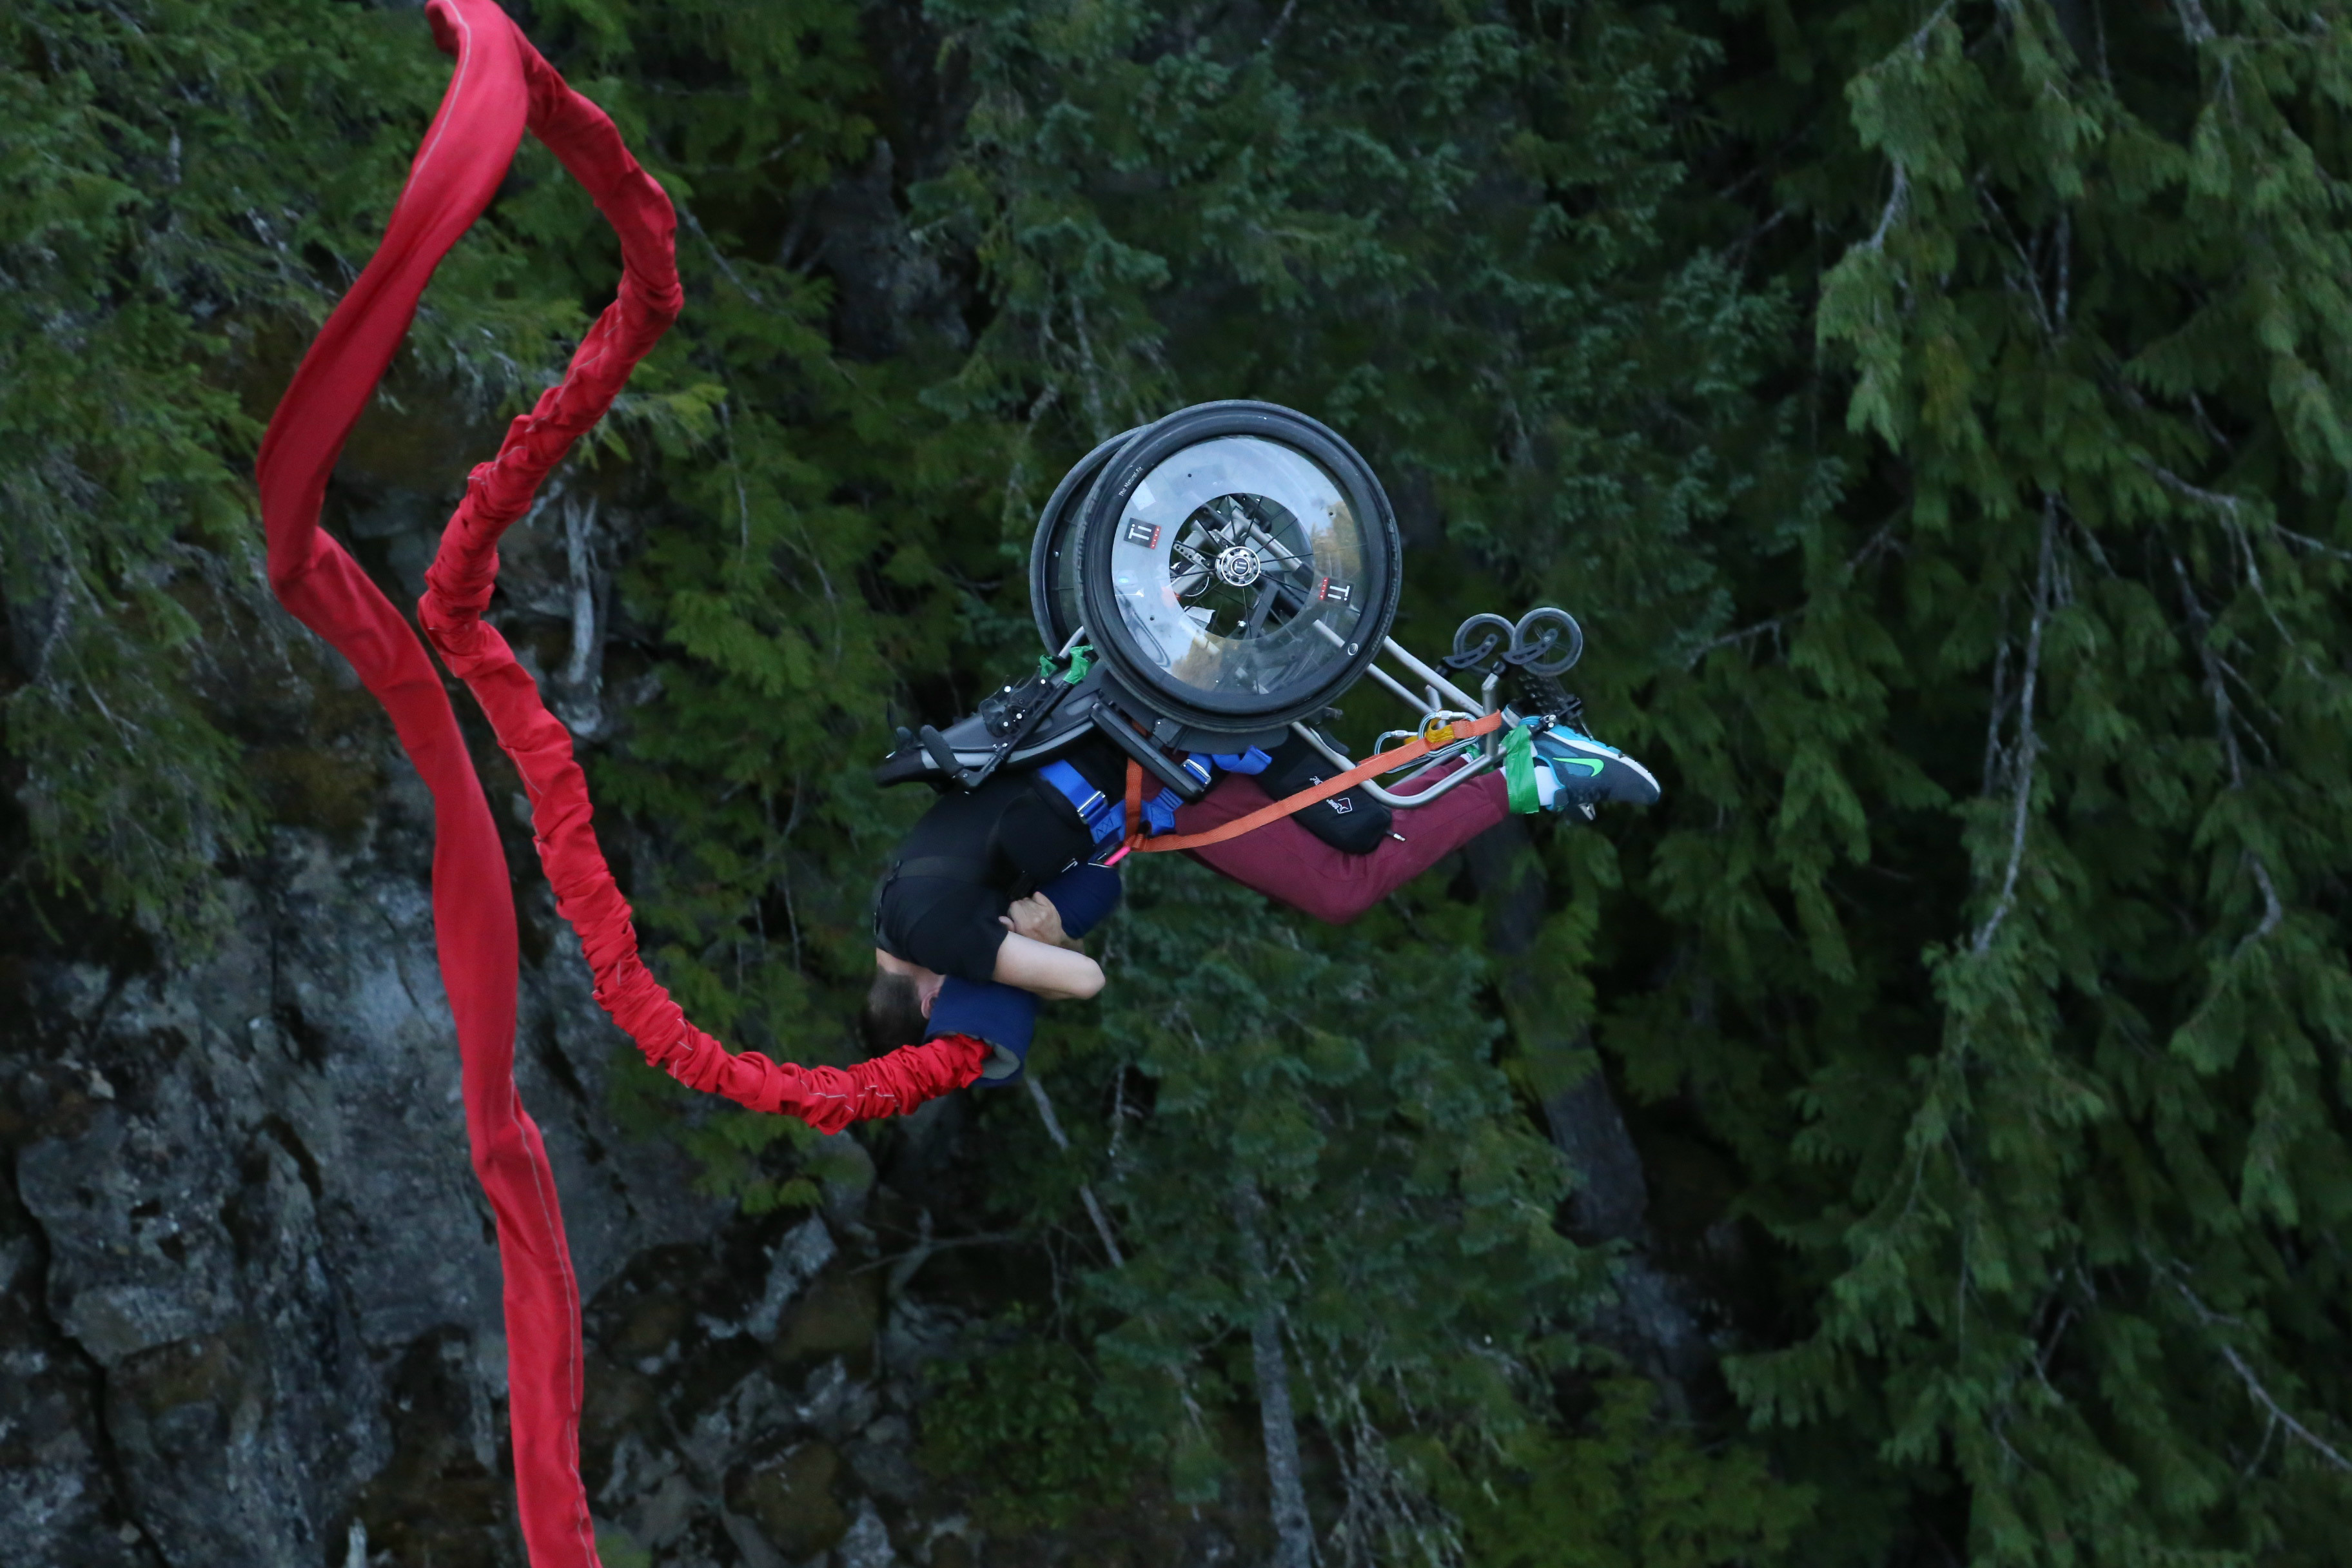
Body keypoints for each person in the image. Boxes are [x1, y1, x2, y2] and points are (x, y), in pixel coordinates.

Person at [864, 701, 1660, 1082]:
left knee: (1347, 879)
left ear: (932, 1001)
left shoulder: (931, 933)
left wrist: (1046, 949)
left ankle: (1536, 768)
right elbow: (1095, 892)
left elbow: (1084, 978)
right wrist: (1052, 926)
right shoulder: (900, 908)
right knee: (1347, 845)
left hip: (1168, 754)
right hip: (1144, 766)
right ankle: (1493, 748)